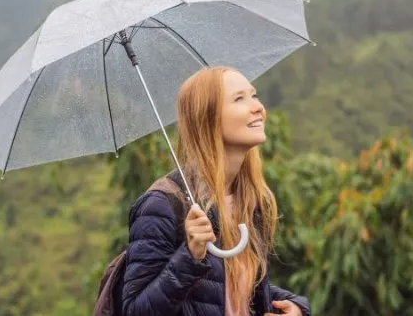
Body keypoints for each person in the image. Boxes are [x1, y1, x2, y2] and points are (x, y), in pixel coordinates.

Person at [121, 66, 311, 316]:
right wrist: (190, 255)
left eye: (253, 95)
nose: (257, 107)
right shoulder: (162, 206)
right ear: (207, 118)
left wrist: (296, 306)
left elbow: (230, 286)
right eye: (239, 99)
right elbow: (135, 310)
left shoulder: (250, 199)